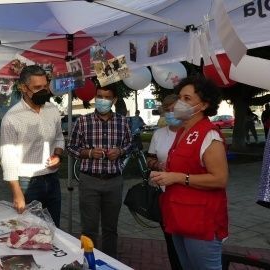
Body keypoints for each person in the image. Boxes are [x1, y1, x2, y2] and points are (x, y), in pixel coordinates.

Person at [150, 76, 228, 270]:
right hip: (179, 215)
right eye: (180, 97)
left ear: (203, 105)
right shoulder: (182, 132)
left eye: (187, 99)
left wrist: (177, 177)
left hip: (200, 221)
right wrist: (164, 175)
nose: (180, 103)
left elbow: (220, 179)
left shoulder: (209, 134)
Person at [67, 84, 132, 257]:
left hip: (114, 181)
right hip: (90, 180)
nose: (102, 101)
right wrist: (88, 153)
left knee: (111, 228)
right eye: (99, 97)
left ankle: (110, 261)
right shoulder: (82, 121)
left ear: (114, 100)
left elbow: (129, 145)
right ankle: (89, 262)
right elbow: (71, 148)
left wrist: (120, 152)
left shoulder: (123, 121)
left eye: (107, 97)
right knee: (89, 228)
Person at [0, 65, 64, 227]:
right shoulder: (11, 118)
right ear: (23, 88)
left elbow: (59, 138)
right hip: (27, 183)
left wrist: (57, 154)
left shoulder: (52, 110)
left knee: (54, 229)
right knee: (29, 232)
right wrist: (17, 193)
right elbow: (8, 159)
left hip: (52, 180)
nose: (43, 91)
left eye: (45, 86)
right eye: (37, 87)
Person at [146, 94, 182, 270]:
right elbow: (149, 159)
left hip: (186, 195)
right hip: (164, 194)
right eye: (167, 110)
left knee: (187, 241)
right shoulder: (159, 134)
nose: (170, 113)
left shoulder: (190, 132)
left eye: (174, 109)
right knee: (171, 240)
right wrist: (156, 164)